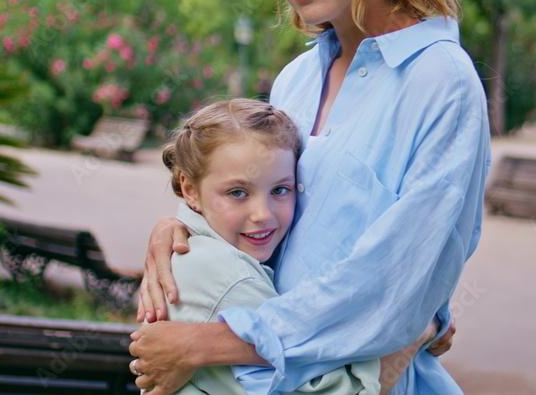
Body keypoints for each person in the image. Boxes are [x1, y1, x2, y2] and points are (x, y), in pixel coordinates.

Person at [128, 0, 491, 395]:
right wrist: (180, 226)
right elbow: (260, 214)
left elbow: (392, 283)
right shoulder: (294, 80)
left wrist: (209, 343)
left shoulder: (441, 81)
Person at [150, 98, 380, 394]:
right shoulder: (231, 277)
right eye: (237, 192)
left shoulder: (203, 252)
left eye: (280, 189)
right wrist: (408, 334)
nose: (263, 214)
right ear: (190, 190)